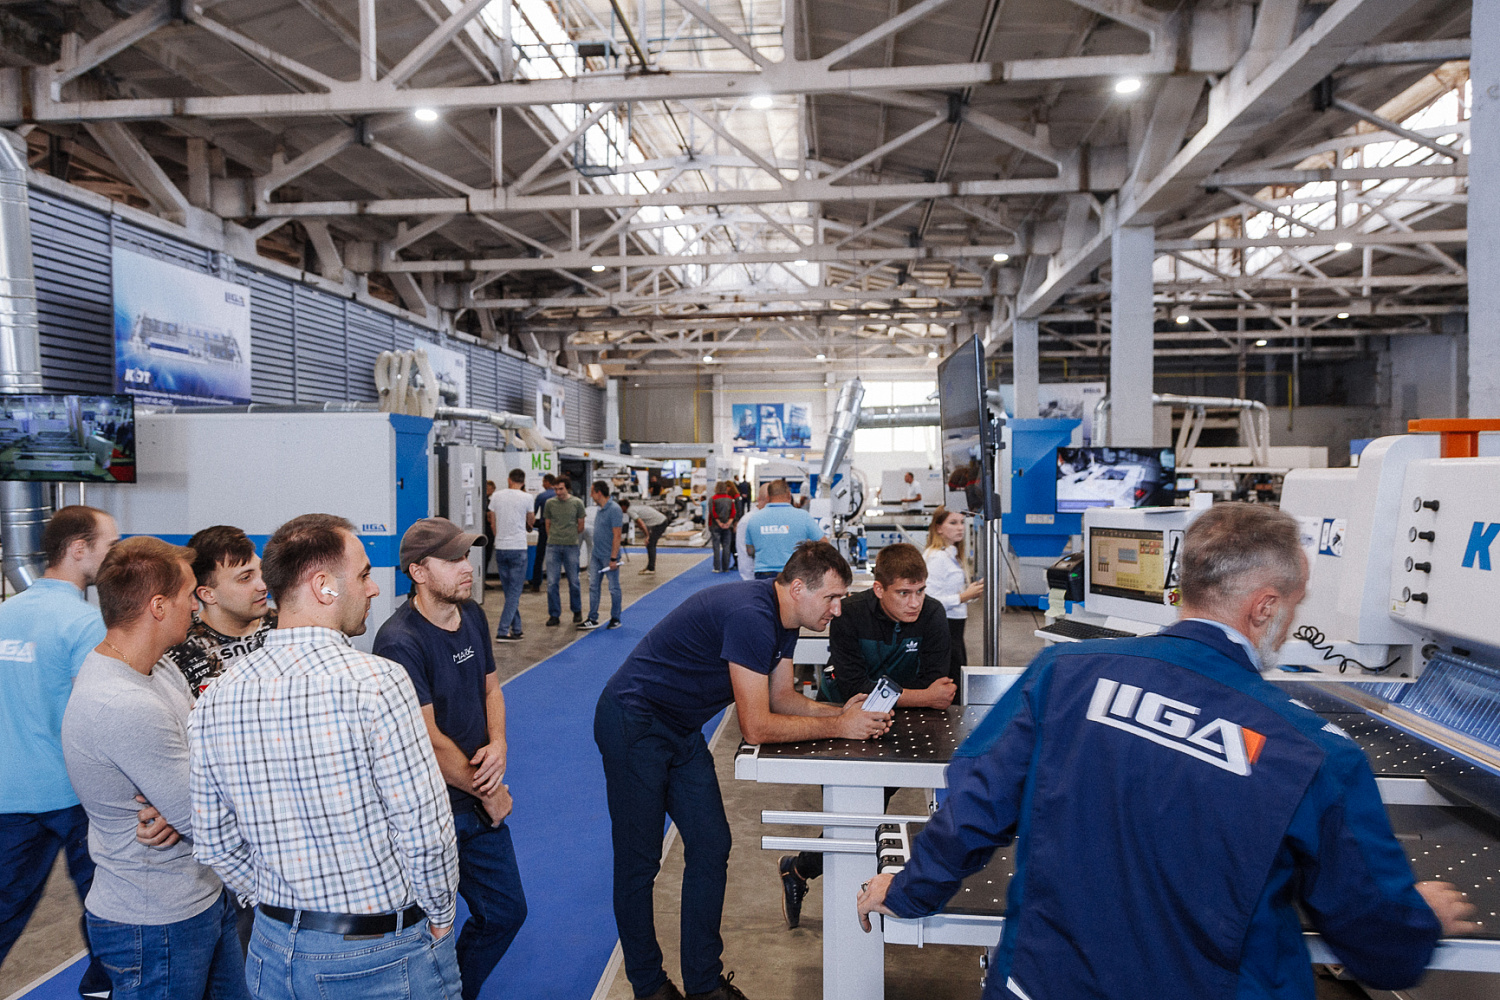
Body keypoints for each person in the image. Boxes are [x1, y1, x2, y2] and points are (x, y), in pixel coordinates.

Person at [856, 503, 1479, 1000]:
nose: (1291, 623)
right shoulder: (1310, 753)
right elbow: (1379, 945)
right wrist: (1415, 920)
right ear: (1265, 606)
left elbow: (974, 805)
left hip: (1040, 983)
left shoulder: (1063, 673)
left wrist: (908, 889)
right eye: (1293, 606)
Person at [595, 541, 894, 1000]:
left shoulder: (786, 618)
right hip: (634, 722)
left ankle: (702, 983)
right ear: (798, 587)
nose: (838, 609)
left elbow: (781, 699)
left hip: (678, 727)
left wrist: (839, 712)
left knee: (711, 844)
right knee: (639, 864)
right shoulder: (751, 616)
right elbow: (755, 726)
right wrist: (839, 726)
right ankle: (648, 984)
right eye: (831, 597)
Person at [190, 514, 460, 1000]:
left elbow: (213, 840)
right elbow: (424, 829)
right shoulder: (378, 683)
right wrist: (440, 916)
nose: (374, 588)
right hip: (379, 951)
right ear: (323, 586)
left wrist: (282, 900)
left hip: (270, 951)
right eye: (361, 574)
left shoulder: (217, 695)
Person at [62, 537, 249, 1000]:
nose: (196, 604)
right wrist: (189, 802)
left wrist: (184, 796)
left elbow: (209, 748)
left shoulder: (158, 667)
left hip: (201, 896)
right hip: (154, 922)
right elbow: (204, 818)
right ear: (159, 606)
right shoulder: (123, 703)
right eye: (190, 594)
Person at [373, 518, 526, 1000]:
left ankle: (453, 991)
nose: (468, 567)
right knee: (424, 928)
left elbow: (491, 686)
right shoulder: (399, 641)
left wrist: (498, 743)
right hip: (430, 810)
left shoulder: (473, 613)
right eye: (454, 559)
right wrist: (492, 792)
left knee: (505, 912)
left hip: (475, 802)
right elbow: (429, 741)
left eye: (467, 556)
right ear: (418, 571)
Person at [778, 543, 955, 928]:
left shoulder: (934, 615)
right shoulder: (849, 614)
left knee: (864, 819)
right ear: (878, 589)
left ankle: (799, 870)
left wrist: (916, 695)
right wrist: (921, 695)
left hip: (902, 727)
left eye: (920, 591)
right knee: (855, 817)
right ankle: (813, 882)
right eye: (903, 593)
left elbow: (940, 688)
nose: (915, 603)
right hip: (837, 722)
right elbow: (853, 688)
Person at [0, 506, 119, 1000]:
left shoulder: (4, 615)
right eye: (109, 546)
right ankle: (102, 990)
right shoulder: (86, 623)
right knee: (107, 907)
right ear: (78, 550)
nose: (116, 556)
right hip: (74, 795)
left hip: (9, 795)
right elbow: (94, 719)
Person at [161, 525, 276, 699]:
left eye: (261, 571)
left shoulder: (290, 628)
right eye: (245, 578)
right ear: (208, 595)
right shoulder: (177, 655)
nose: (263, 586)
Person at [922, 508, 984, 686]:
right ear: (939, 528)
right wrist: (964, 597)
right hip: (944, 626)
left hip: (955, 628)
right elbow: (929, 602)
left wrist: (972, 592)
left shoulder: (952, 555)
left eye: (962, 522)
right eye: (953, 523)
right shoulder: (937, 558)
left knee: (957, 676)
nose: (960, 528)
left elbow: (951, 592)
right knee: (950, 680)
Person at [738, 480, 824, 580]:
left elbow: (749, 551)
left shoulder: (753, 519)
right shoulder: (803, 516)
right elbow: (824, 543)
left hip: (763, 574)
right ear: (789, 495)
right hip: (795, 572)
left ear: (769, 497)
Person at [490, 469, 535, 642]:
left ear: (509, 480)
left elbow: (492, 522)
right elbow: (531, 521)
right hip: (518, 547)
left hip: (501, 547)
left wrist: (499, 536)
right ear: (523, 482)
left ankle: (517, 628)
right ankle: (503, 630)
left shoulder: (496, 496)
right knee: (515, 592)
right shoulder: (527, 498)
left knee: (509, 592)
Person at [543, 476, 586, 627]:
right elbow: (547, 524)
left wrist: (570, 536)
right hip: (553, 546)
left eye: (560, 489)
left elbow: (581, 525)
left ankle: (577, 610)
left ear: (567, 488)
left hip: (571, 546)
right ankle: (554, 614)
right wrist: (554, 537)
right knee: (552, 582)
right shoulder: (550, 504)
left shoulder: (577, 503)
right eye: (555, 489)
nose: (558, 492)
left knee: (574, 581)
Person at [581, 482, 624, 630]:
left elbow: (617, 535)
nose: (591, 495)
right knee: (593, 586)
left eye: (592, 492)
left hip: (608, 556)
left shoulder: (614, 509)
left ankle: (616, 618)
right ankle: (592, 618)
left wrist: (613, 558)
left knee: (613, 587)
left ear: (599, 493)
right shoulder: (600, 509)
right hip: (597, 555)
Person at [528, 474, 556, 593]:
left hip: (545, 528)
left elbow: (533, 512)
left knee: (539, 557)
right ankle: (553, 583)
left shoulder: (542, 496)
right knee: (556, 557)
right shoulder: (558, 495)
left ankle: (536, 584)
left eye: (544, 482)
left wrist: (530, 525)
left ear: (548, 482)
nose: (542, 484)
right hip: (558, 529)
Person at [735, 485, 768, 582]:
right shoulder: (747, 521)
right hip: (757, 578)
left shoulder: (775, 518)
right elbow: (744, 554)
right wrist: (749, 581)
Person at [630, 499, 669, 575]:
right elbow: (645, 523)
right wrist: (647, 536)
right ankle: (650, 567)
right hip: (659, 522)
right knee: (650, 544)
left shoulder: (632, 510)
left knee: (651, 544)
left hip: (660, 523)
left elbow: (641, 524)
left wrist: (647, 536)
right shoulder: (639, 508)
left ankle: (651, 568)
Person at [708, 481, 737, 574]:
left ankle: (717, 567)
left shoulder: (712, 499)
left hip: (715, 525)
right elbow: (733, 512)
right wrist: (729, 523)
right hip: (728, 526)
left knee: (716, 547)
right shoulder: (730, 499)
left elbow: (712, 512)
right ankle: (725, 567)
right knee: (726, 547)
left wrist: (719, 522)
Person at [482, 480, 497, 581]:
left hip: (488, 530)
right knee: (485, 555)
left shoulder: (488, 501)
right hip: (485, 530)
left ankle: (484, 578)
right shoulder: (483, 501)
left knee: (487, 556)